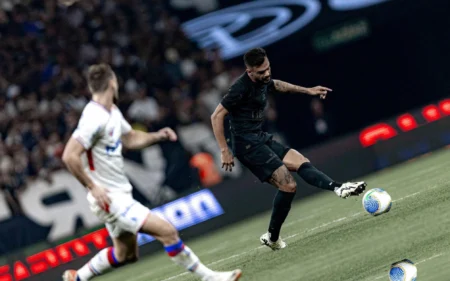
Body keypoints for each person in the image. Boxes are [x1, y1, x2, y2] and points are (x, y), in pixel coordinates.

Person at [62, 64, 242, 281]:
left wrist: (157, 136)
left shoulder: (111, 112)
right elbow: (69, 155)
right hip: (108, 197)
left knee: (124, 254)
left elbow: (131, 138)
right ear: (113, 83)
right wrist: (93, 186)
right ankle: (211, 277)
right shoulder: (93, 117)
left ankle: (77, 278)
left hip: (118, 193)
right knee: (167, 231)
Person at [210, 48, 366, 251]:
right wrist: (224, 149)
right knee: (288, 185)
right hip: (247, 146)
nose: (266, 74)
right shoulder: (240, 88)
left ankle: (338, 188)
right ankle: (272, 237)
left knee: (300, 160)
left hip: (259, 137)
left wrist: (308, 90)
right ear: (249, 72)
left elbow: (278, 85)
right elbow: (216, 116)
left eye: (268, 68)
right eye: (261, 72)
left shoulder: (265, 81)